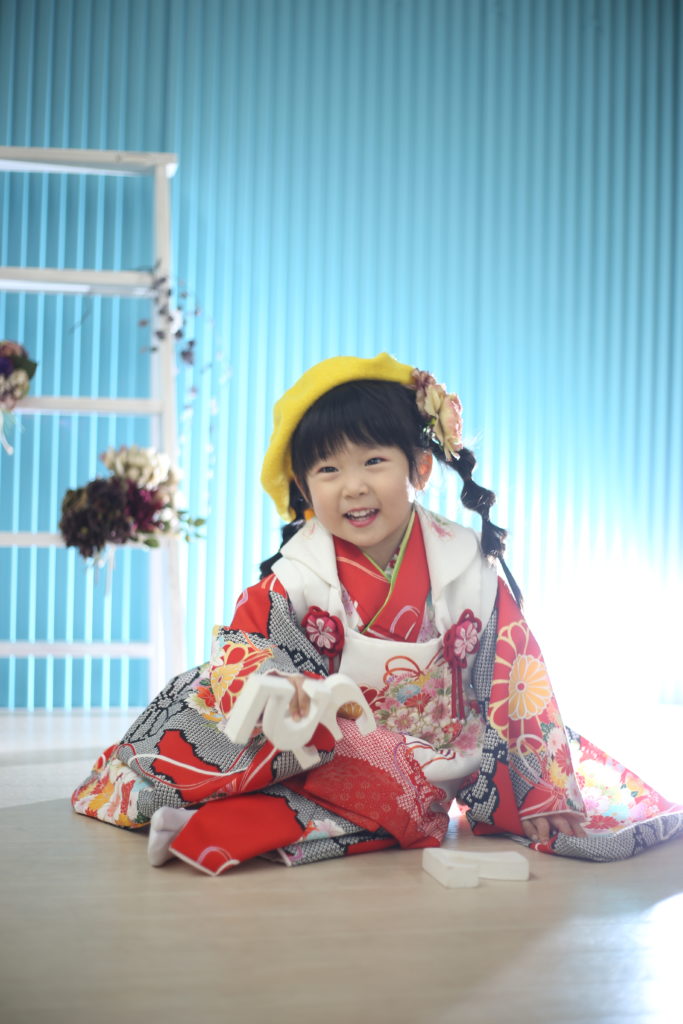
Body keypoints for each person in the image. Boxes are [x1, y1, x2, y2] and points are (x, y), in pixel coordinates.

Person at [72, 353, 683, 875]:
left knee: (407, 800)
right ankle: (202, 818)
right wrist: (283, 687)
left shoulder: (464, 563)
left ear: (420, 467)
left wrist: (541, 789)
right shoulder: (300, 572)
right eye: (328, 470)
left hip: (425, 756)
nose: (353, 486)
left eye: (373, 461)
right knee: (201, 713)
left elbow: (515, 674)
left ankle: (210, 827)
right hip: (325, 748)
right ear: (304, 488)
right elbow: (243, 646)